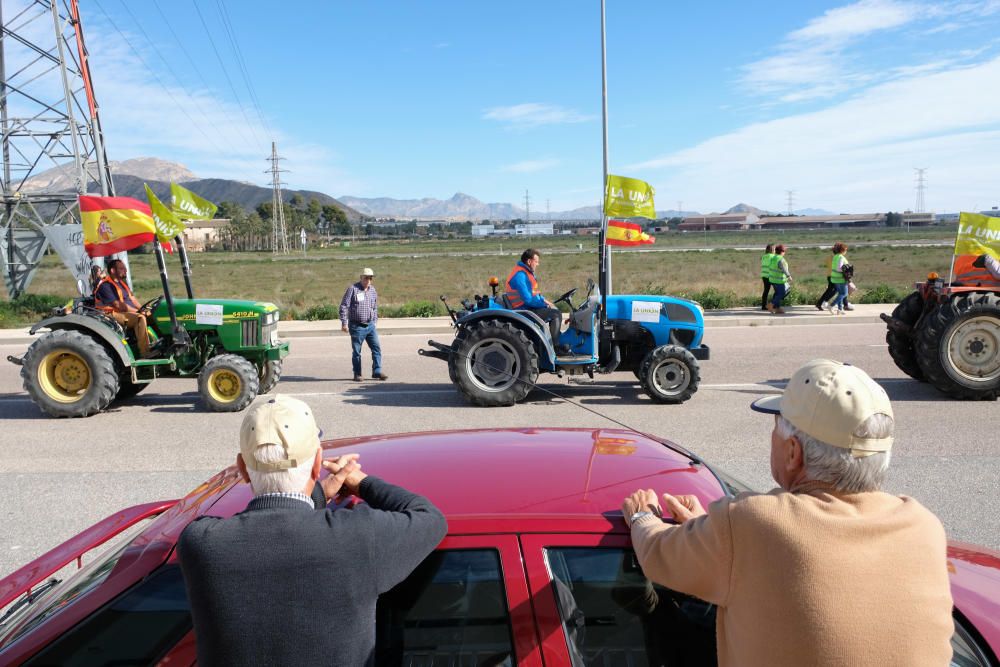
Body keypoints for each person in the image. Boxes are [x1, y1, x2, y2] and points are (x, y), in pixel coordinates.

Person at [621, 359, 954, 667]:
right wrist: (713, 534)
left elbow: (658, 554)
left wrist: (642, 517)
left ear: (794, 452)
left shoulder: (753, 524)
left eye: (776, 426)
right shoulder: (923, 527)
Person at [177, 395, 448, 666]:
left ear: (242, 469)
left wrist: (317, 497)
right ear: (318, 464)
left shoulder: (201, 543)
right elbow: (430, 519)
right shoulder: (359, 538)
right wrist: (359, 482)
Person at [504, 248, 568, 353]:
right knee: (556, 314)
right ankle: (555, 348)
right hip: (523, 310)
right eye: (536, 262)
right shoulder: (520, 276)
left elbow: (534, 293)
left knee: (552, 310)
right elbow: (528, 300)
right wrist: (543, 305)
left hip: (527, 307)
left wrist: (545, 301)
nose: (538, 264)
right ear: (529, 261)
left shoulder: (526, 273)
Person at [94, 258, 151, 356]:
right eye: (122, 268)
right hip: (111, 315)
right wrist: (139, 312)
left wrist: (144, 309)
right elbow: (119, 305)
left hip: (125, 313)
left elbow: (133, 299)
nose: (125, 270)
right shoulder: (105, 286)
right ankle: (145, 352)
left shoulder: (122, 284)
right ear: (112, 270)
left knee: (152, 313)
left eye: (125, 268)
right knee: (140, 318)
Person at [340, 267, 388, 381]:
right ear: (361, 277)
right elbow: (344, 306)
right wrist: (344, 323)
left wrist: (375, 321)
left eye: (370, 278)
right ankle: (357, 373)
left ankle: (377, 371)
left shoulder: (372, 290)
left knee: (376, 349)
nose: (368, 280)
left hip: (370, 325)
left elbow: (375, 307)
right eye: (366, 278)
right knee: (357, 351)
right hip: (356, 326)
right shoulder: (353, 289)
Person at [816, 243, 853, 312]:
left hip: (831, 276)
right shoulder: (840, 257)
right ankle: (829, 304)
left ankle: (841, 307)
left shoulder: (832, 257)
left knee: (836, 291)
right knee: (842, 292)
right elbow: (840, 268)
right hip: (839, 277)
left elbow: (828, 265)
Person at [766, 244, 791, 314]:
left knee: (777, 293)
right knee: (782, 293)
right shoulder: (781, 259)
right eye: (784, 251)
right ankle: (771, 305)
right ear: (782, 251)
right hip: (779, 280)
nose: (785, 253)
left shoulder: (773, 258)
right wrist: (789, 276)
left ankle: (777, 308)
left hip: (772, 279)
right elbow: (784, 269)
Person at [759, 244, 775, 311]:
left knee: (766, 291)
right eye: (774, 249)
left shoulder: (763, 257)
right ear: (772, 250)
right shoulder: (773, 256)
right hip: (771, 276)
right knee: (778, 291)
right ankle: (773, 305)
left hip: (764, 275)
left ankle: (763, 306)